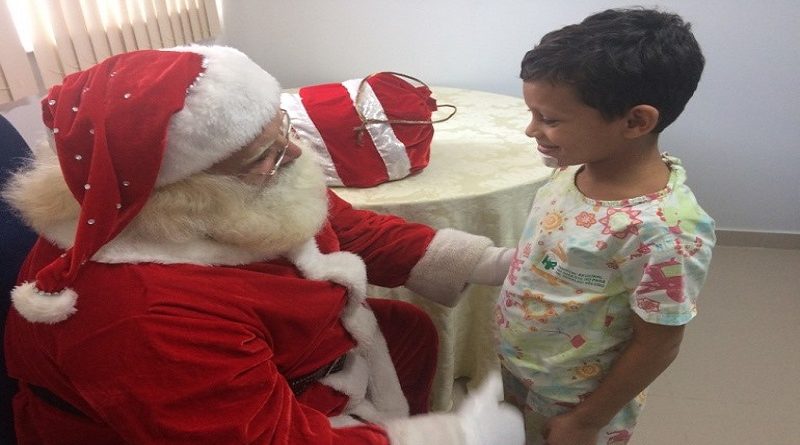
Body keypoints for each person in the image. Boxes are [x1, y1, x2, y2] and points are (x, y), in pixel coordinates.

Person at [1, 45, 523, 444]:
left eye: (283, 129)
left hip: (278, 360)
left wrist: (500, 263)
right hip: (180, 419)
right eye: (263, 154)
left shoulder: (241, 187)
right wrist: (456, 436)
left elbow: (349, 230)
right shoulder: (144, 314)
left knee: (409, 329)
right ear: (183, 190)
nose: (294, 154)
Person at [493, 8, 716, 445]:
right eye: (532, 113)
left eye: (550, 119)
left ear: (636, 121)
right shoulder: (572, 168)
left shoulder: (667, 232)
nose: (530, 129)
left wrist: (585, 421)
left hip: (577, 400)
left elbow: (659, 344)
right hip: (523, 368)